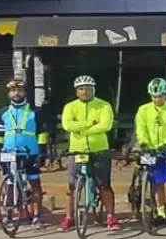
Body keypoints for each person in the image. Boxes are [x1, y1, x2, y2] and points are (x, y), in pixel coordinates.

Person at [59, 76, 121, 231]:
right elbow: (67, 125)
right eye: (81, 89)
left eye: (87, 88)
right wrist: (90, 123)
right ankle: (68, 217)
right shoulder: (70, 106)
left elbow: (105, 125)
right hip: (77, 150)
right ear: (77, 91)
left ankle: (111, 217)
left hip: (99, 149)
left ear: (93, 89)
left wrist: (79, 128)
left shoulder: (103, 105)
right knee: (72, 186)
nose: (84, 91)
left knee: (104, 185)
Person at [0, 79, 51, 228]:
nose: (16, 93)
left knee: (35, 183)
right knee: (8, 184)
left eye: (19, 90)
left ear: (25, 92)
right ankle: (8, 215)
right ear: (9, 94)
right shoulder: (3, 112)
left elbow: (42, 132)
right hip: (8, 152)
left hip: (30, 152)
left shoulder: (35, 110)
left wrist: (41, 153)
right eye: (13, 90)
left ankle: (37, 216)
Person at [134, 78, 166, 225]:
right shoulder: (143, 109)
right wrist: (144, 143)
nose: (157, 99)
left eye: (160, 96)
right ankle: (161, 212)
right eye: (154, 96)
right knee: (158, 183)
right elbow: (141, 128)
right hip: (151, 150)